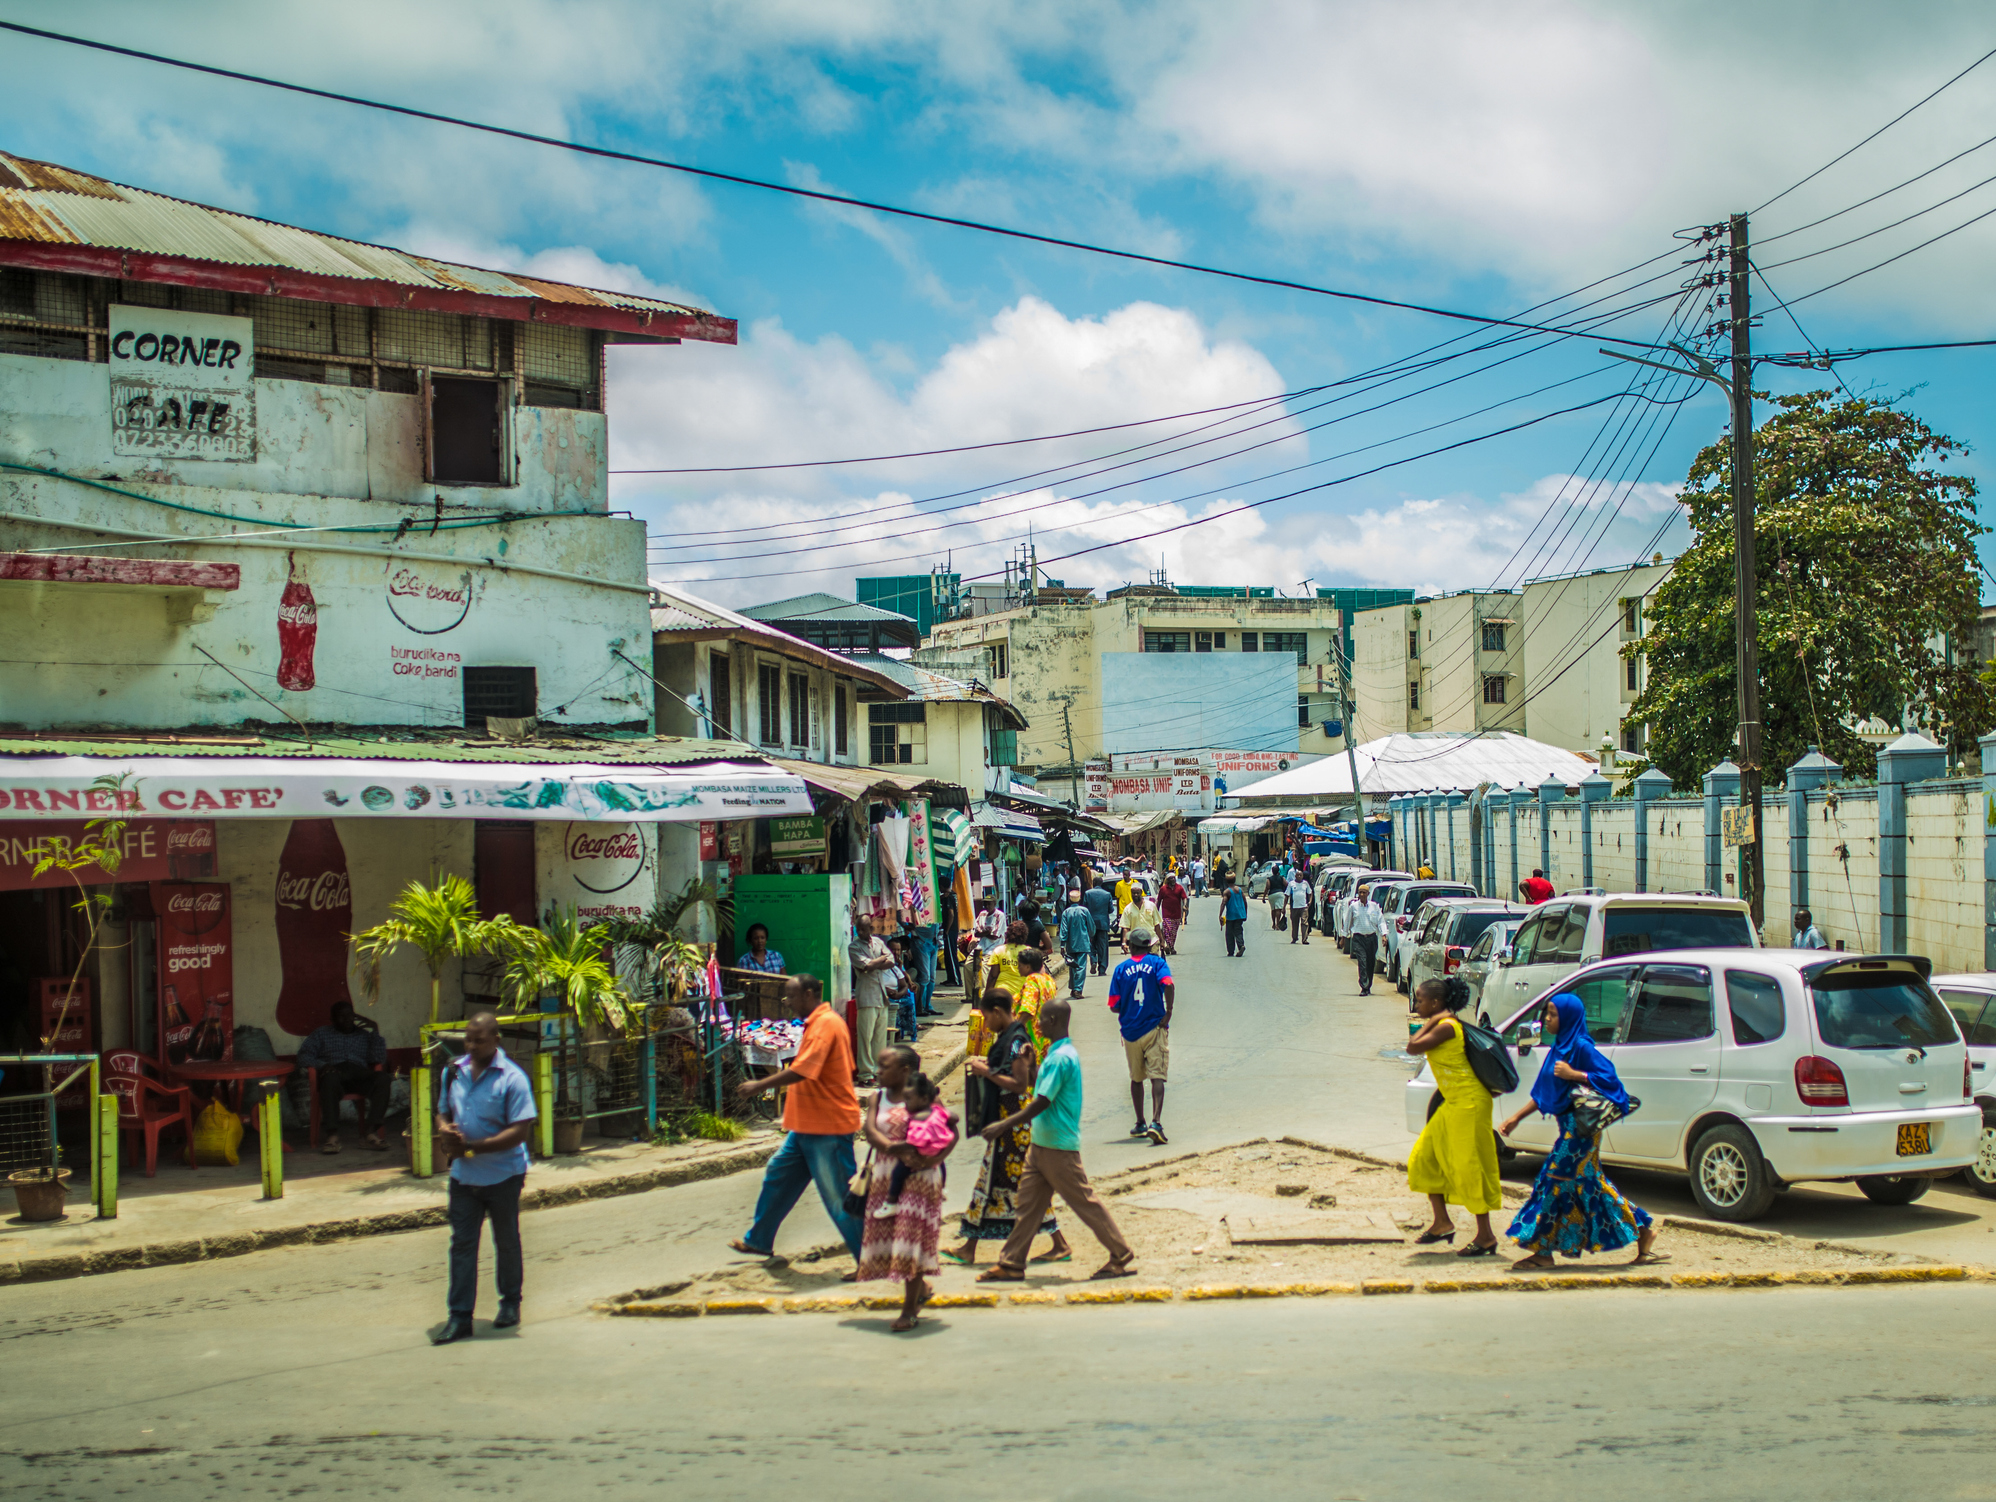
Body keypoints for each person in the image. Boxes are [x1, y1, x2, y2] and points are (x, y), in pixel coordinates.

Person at [976, 999, 1137, 1283]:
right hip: (1042, 1144)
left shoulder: (1061, 1057)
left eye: (1041, 1019)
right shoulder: (1056, 1054)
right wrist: (1031, 1064)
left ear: (1052, 1021)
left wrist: (1005, 1124)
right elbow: (1039, 1084)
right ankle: (1011, 1262)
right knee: (1027, 1206)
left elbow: (1042, 1101)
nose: (1037, 1025)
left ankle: (1120, 1253)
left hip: (1058, 1146)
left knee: (1084, 1202)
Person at [1499, 991, 1660, 1270]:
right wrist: (1515, 1118)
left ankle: (1542, 1252)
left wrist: (1575, 1075)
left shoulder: (1582, 1047)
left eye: (1553, 1014)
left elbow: (1610, 1080)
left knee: (1552, 1181)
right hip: (1568, 1129)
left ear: (1568, 1017)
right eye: (1547, 1014)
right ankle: (1643, 1230)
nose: (1547, 1019)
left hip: (1581, 1132)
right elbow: (1543, 1093)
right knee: (1591, 1185)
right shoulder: (1558, 1049)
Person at [730, 974, 865, 1264]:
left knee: (839, 1197)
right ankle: (759, 1240)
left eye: (791, 996)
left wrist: (759, 1085)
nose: (787, 1002)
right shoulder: (819, 1023)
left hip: (828, 1126)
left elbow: (804, 1069)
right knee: (778, 1176)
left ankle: (870, 1260)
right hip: (807, 1125)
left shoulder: (825, 1024)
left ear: (808, 994)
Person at [432, 1011, 539, 1344]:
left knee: (505, 1240)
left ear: (496, 1040)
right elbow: (442, 1111)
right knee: (462, 1245)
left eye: (478, 1041)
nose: (471, 1046)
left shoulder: (513, 1078)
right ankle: (459, 1316)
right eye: (468, 1039)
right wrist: (444, 1130)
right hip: (463, 1177)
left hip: (504, 1175)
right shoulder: (453, 1071)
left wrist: (471, 1148)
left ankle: (510, 1303)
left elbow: (519, 1132)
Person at [947, 989, 1072, 1267]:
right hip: (1009, 1124)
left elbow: (1019, 1083)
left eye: (986, 1017)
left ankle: (1057, 1243)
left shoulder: (1015, 1041)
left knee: (1010, 1184)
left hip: (1013, 1124)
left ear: (997, 1012)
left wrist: (987, 1072)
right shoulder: (1012, 1038)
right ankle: (970, 1246)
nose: (986, 1023)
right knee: (994, 1183)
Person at [1405, 976, 1500, 1257]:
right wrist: (1433, 1018)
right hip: (1453, 1102)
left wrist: (1433, 1019)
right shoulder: (1443, 1022)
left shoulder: (1446, 1026)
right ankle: (1442, 1223)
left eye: (1421, 1000)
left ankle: (1486, 1236)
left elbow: (1413, 1046)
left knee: (1469, 1167)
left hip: (1469, 1104)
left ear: (1436, 1003)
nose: (1416, 1005)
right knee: (1425, 1158)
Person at [857, 1066, 955, 1333]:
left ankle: (909, 1310)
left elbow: (951, 1132)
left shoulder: (927, 1100)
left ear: (904, 1070)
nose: (879, 1070)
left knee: (911, 1243)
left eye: (886, 1065)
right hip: (886, 1176)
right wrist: (893, 1148)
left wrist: (934, 1160)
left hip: (920, 1179)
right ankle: (920, 1289)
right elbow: (870, 1131)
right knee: (893, 1240)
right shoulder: (878, 1098)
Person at [296, 1000, 391, 1153]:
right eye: (341, 1016)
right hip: (335, 1073)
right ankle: (332, 1137)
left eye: (350, 1015)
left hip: (359, 1074)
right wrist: (322, 1065)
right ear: (332, 1019)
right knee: (329, 1079)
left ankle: (370, 1133)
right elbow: (303, 1056)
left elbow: (379, 1058)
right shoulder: (321, 1034)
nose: (347, 1019)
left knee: (383, 1079)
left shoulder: (364, 1035)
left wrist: (375, 1031)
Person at [1109, 926, 1174, 1145]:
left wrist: (1128, 1008)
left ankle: (1140, 1123)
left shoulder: (1121, 969)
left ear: (1131, 946)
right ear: (1149, 946)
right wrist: (1168, 1011)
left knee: (1136, 1078)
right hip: (1154, 1027)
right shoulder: (1157, 964)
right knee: (1157, 1076)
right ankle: (1156, 1122)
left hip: (1130, 1032)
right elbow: (1168, 984)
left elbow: (1114, 1005)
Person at [869, 1071, 956, 1218]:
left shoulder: (918, 1119)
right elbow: (954, 1118)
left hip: (922, 1152)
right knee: (941, 1164)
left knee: (898, 1173)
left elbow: (915, 1143)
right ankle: (942, 1188)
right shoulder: (937, 1110)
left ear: (923, 1099)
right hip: (937, 1150)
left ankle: (891, 1202)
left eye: (908, 1100)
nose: (906, 1104)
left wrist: (895, 1147)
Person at [849, 916, 896, 1086]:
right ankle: (865, 1074)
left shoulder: (878, 942)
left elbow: (891, 961)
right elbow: (866, 966)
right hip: (866, 997)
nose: (861, 932)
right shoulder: (854, 947)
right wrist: (881, 959)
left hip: (881, 996)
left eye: (864, 929)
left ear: (871, 928)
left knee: (879, 1038)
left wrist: (875, 963)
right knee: (865, 1038)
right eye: (859, 929)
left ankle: (878, 1071)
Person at [1348, 884, 1384, 996]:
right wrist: (1344, 937)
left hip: (1371, 938)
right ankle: (1363, 986)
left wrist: (1384, 935)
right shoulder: (1353, 907)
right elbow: (1348, 922)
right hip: (1358, 938)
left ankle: (1368, 986)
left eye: (1364, 892)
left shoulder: (1374, 907)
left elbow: (1381, 921)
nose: (1362, 895)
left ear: (1368, 894)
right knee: (1362, 962)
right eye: (1360, 892)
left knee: (1370, 963)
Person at [1057, 889, 1094, 999]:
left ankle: (1074, 988)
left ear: (1069, 899)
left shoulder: (1066, 912)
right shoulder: (1084, 911)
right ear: (1079, 899)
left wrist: (1062, 945)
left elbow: (1063, 930)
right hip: (1083, 943)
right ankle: (1077, 989)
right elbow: (1091, 927)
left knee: (1072, 966)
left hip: (1071, 944)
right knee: (1081, 967)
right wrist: (1091, 936)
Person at [884, 936, 919, 1043]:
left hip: (897, 992)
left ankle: (903, 1030)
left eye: (898, 950)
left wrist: (899, 994)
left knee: (909, 998)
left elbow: (903, 983)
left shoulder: (896, 966)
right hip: (884, 995)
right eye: (893, 949)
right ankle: (895, 1031)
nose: (896, 952)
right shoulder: (881, 965)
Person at [1083, 879, 1117, 975]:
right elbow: (1111, 910)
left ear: (1093, 883)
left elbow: (1084, 908)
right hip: (1103, 923)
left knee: (1091, 944)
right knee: (1103, 947)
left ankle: (1093, 960)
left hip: (1091, 923)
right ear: (1101, 884)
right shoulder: (1107, 894)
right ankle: (1102, 969)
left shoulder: (1087, 893)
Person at [1157, 872, 1187, 955]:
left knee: (1173, 932)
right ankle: (1170, 947)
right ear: (1168, 880)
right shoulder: (1163, 889)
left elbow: (1184, 897)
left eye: (1174, 878)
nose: (1173, 880)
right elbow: (1159, 900)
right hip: (1166, 914)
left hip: (1177, 914)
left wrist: (1184, 905)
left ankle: (1170, 946)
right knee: (1167, 930)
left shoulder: (1179, 888)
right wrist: (1156, 910)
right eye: (1171, 878)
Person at [1220, 878, 1248, 958]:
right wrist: (1245, 913)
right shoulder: (1240, 890)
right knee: (1238, 931)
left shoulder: (1227, 892)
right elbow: (1245, 901)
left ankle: (1231, 951)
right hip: (1240, 914)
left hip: (1231, 915)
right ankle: (1241, 945)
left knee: (1229, 933)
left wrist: (1220, 914)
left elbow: (1224, 902)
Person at [1285, 869, 1314, 945]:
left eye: (1300, 875)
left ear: (1302, 876)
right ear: (1295, 876)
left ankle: (1304, 939)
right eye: (1298, 875)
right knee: (1295, 923)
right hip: (1294, 907)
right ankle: (1294, 938)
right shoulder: (1291, 884)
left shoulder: (1305, 883)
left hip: (1304, 907)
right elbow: (1287, 895)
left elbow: (1310, 893)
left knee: (1304, 922)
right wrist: (1284, 907)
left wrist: (1310, 901)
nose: (1299, 876)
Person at [1267, 865, 1289, 931]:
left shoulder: (1269, 879)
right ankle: (1277, 924)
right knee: (1278, 910)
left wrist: (1264, 896)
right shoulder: (1281, 878)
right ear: (1278, 871)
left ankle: (1273, 923)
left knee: (1273, 909)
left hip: (1271, 894)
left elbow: (1267, 887)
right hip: (1280, 893)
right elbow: (1286, 884)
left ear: (1272, 871)